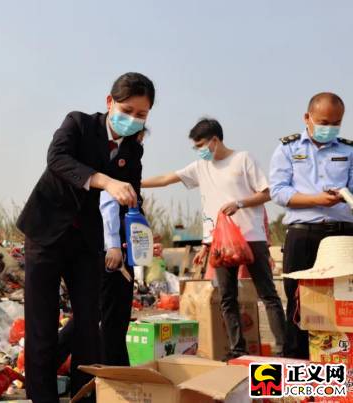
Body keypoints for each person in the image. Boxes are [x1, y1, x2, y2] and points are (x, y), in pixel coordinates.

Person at [16, 72, 155, 402]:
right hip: (48, 232)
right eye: (127, 110)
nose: (132, 119)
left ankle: (84, 396)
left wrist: (136, 237)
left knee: (89, 324)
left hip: (88, 242)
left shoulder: (132, 150)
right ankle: (42, 397)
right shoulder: (78, 124)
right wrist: (105, 181)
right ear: (110, 103)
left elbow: (131, 197)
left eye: (141, 114)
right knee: (42, 323)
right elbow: (58, 160)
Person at [141, 118, 286, 360]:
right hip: (221, 244)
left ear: (215, 140)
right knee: (227, 298)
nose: (199, 150)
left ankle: (283, 350)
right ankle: (237, 350)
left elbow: (267, 192)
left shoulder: (243, 159)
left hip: (251, 238)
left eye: (201, 145)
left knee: (268, 295)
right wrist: (136, 182)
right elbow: (167, 178)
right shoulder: (200, 167)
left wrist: (240, 203)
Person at [269, 92, 353, 359]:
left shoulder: (349, 150)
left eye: (336, 123)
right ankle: (297, 365)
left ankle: (342, 363)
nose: (330, 128)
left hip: (342, 236)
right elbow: (278, 192)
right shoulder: (288, 149)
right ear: (308, 118)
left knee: (345, 301)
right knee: (299, 302)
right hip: (304, 234)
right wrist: (316, 199)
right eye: (324, 122)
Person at [57, 128, 146, 369]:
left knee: (106, 314)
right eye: (139, 138)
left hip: (118, 246)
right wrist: (113, 245)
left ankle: (113, 369)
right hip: (110, 249)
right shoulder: (114, 156)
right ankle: (111, 371)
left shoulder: (131, 156)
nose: (140, 142)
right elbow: (107, 202)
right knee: (107, 314)